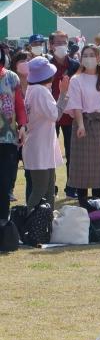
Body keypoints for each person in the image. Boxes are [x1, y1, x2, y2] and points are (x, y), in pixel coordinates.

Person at [64, 45, 100, 207]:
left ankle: (99, 203)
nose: (88, 58)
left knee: (99, 166)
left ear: (99, 58)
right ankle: (83, 204)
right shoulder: (76, 79)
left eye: (91, 55)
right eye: (85, 55)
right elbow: (76, 104)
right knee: (81, 166)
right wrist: (81, 125)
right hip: (81, 122)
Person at [23, 58, 64, 208]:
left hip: (41, 145)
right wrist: (64, 94)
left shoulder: (33, 89)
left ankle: (46, 220)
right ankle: (29, 219)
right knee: (41, 189)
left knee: (48, 189)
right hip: (39, 147)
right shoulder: (40, 91)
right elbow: (55, 115)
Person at [48, 30, 79, 198]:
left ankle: (71, 187)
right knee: (49, 153)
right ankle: (50, 187)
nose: (61, 46)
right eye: (58, 43)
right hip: (50, 114)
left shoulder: (75, 65)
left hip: (71, 115)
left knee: (72, 153)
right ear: (51, 45)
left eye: (64, 42)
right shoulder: (46, 65)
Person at [0, 49, 26, 220]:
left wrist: (23, 125)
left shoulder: (12, 78)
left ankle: (3, 220)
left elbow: (19, 105)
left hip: (8, 138)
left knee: (5, 181)